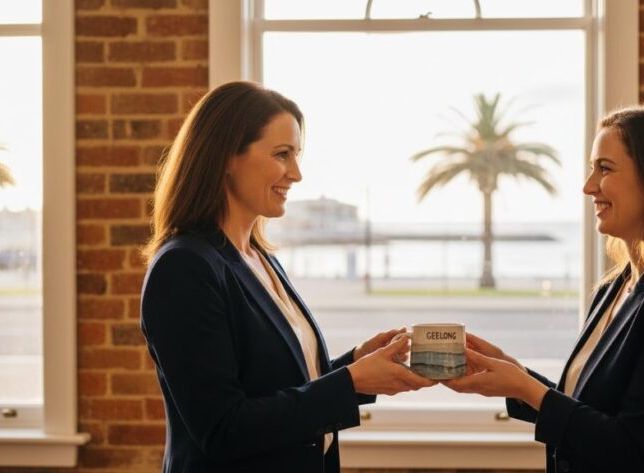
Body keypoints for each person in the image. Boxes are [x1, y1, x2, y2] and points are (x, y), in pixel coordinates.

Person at [140, 81, 435, 473]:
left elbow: (282, 385)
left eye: (296, 155)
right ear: (226, 156)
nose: (296, 173)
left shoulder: (258, 258)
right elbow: (223, 428)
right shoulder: (184, 268)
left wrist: (356, 366)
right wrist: (349, 382)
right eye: (282, 155)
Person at [444, 104, 644, 473]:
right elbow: (589, 408)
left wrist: (528, 389)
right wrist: (512, 377)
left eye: (604, 169)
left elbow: (632, 452)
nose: (588, 186)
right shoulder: (620, 284)